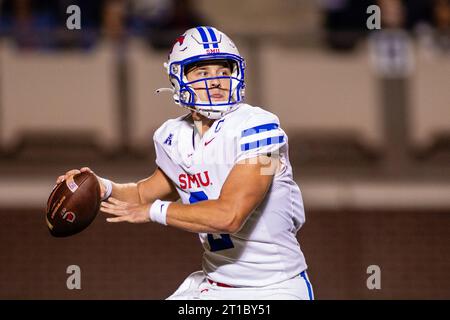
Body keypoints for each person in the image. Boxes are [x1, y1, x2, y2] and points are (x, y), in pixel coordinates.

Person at [56, 26, 314, 300]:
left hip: (273, 289)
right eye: (203, 72)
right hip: (214, 286)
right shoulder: (173, 136)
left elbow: (229, 216)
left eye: (223, 72)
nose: (216, 81)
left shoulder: (262, 130)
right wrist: (101, 186)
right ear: (179, 78)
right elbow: (143, 193)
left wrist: (155, 211)